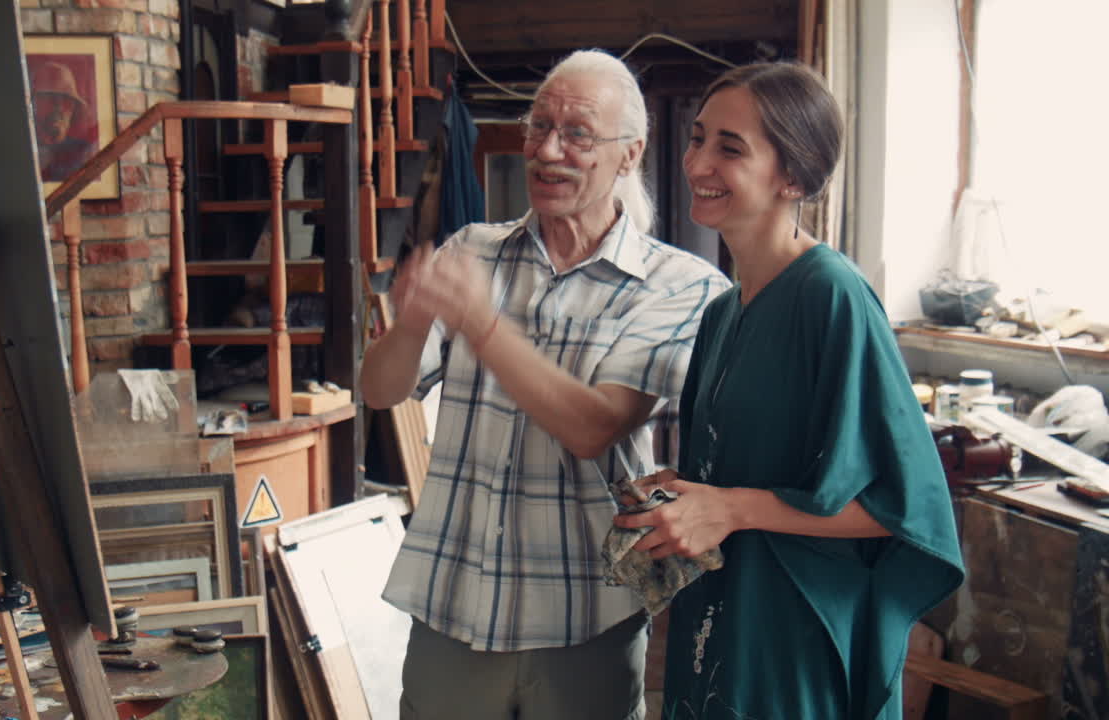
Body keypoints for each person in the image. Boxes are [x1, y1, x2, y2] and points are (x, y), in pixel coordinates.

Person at [362, 49, 729, 720]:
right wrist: (411, 323)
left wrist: (481, 321)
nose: (547, 148)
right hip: (452, 605)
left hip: (585, 614)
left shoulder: (680, 286)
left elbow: (594, 426)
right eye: (538, 126)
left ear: (629, 154)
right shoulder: (472, 248)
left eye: (578, 133)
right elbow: (382, 391)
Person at [613, 62, 964, 719]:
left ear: (794, 178)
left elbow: (904, 509)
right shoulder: (724, 309)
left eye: (730, 148)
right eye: (697, 138)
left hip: (793, 631)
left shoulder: (832, 296)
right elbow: (742, 471)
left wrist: (734, 508)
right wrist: (691, 492)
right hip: (723, 620)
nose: (698, 163)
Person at [30, 61, 97, 182]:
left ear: (73, 110)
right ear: (35, 103)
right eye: (51, 98)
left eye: (67, 100)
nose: (59, 107)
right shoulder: (22, 149)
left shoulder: (82, 153)